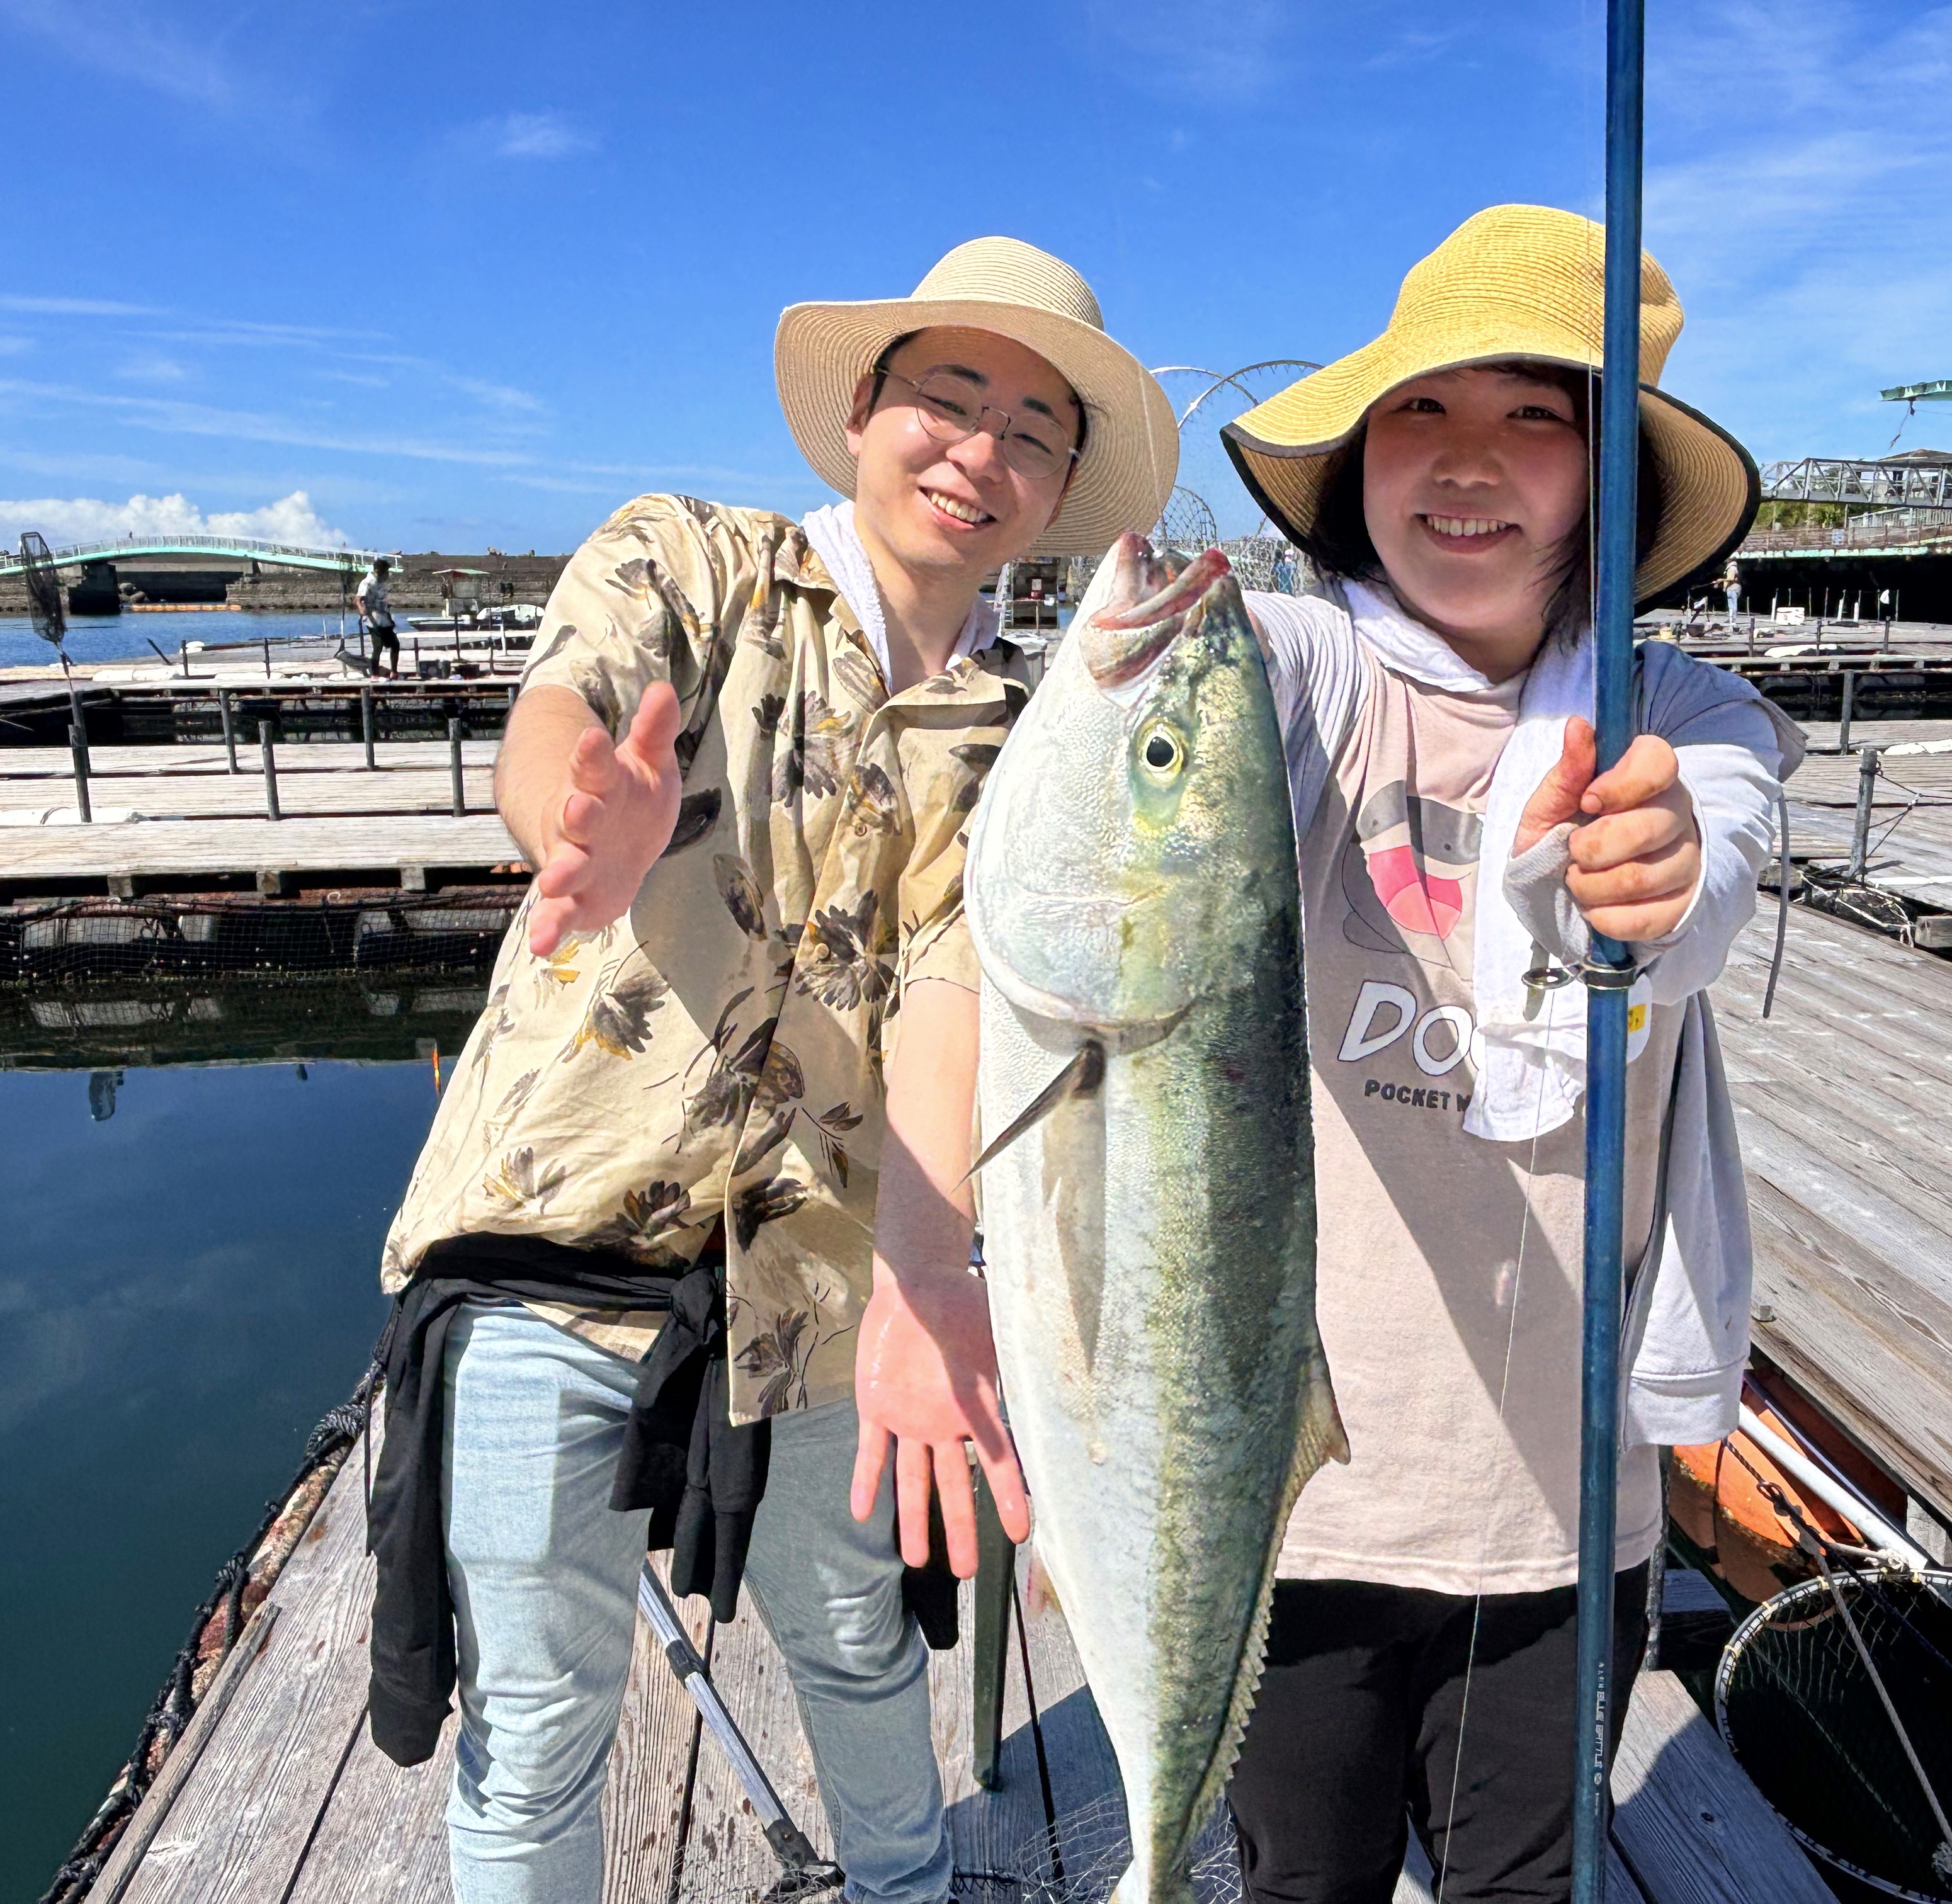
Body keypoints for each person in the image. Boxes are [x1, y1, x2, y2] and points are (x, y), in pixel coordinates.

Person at [370, 236, 1175, 1904]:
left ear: (1058, 488)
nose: (982, 452)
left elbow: (953, 985)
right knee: (534, 1724)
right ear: (864, 408)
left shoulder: (1024, 737)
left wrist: (929, 1275)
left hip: (822, 1286)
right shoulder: (698, 559)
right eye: (950, 398)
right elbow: (570, 705)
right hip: (546, 1253)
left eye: (1035, 431)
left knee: (860, 1644)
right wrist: (574, 819)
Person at [1215, 205, 1802, 1904]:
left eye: (1534, 416)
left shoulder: (1684, 720)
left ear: (1607, 484)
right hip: (1285, 1485)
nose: (1467, 460)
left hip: (1560, 1504)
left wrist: (1654, 876)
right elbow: (1154, 727)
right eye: (1423, 408)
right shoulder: (1285, 666)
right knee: (1296, 1882)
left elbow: (1707, 880)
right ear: (1359, 457)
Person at [358, 558, 400, 675]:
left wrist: (388, 612)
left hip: (384, 620)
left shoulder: (380, 584)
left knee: (395, 645)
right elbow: (358, 599)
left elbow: (381, 600)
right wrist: (362, 610)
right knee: (378, 647)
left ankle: (394, 672)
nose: (388, 575)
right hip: (373, 621)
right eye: (386, 572)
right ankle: (375, 674)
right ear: (380, 571)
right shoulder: (368, 583)